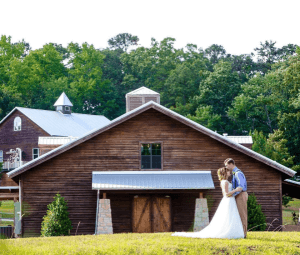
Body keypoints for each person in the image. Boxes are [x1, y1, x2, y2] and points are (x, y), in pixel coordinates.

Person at [172, 167, 244, 239]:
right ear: (225, 173)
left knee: (229, 216)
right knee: (229, 216)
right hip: (228, 200)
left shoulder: (223, 181)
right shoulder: (225, 182)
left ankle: (230, 230)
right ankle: (229, 231)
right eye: (228, 172)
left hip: (229, 200)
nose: (229, 173)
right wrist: (235, 190)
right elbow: (226, 194)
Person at [224, 158, 248, 238]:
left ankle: (244, 234)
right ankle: (241, 232)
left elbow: (241, 186)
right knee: (239, 214)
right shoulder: (234, 173)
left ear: (231, 164)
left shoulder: (238, 173)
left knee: (242, 214)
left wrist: (231, 192)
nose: (226, 167)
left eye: (227, 165)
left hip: (241, 195)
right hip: (238, 195)